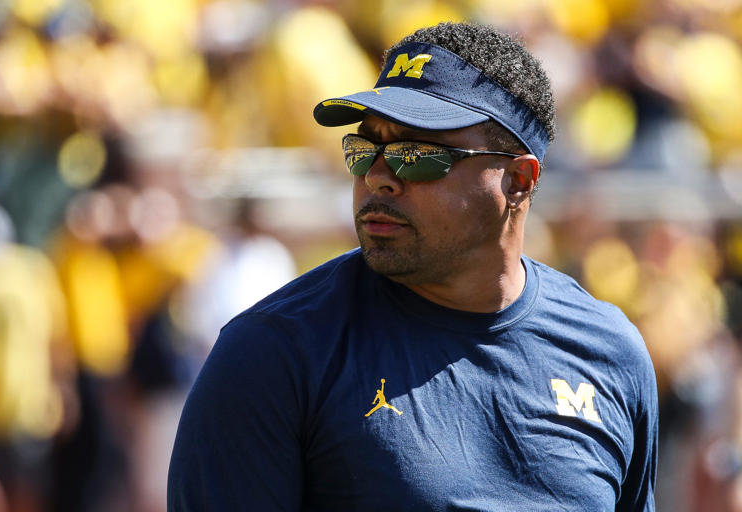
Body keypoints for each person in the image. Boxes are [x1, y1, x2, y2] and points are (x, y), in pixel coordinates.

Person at [168, 22, 658, 511]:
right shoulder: (273, 353)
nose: (378, 178)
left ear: (517, 181)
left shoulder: (609, 351)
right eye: (364, 151)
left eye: (415, 155)